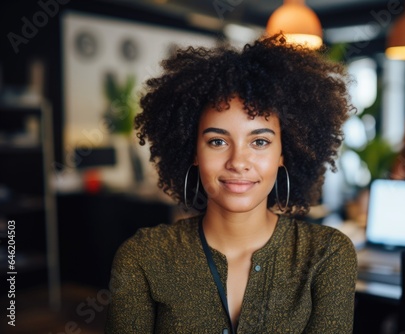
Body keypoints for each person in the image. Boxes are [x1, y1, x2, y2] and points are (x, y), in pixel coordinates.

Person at [104, 34, 357, 333]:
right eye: (218, 141)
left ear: (284, 154)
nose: (238, 161)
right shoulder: (143, 257)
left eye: (260, 141)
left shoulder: (327, 255)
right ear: (193, 151)